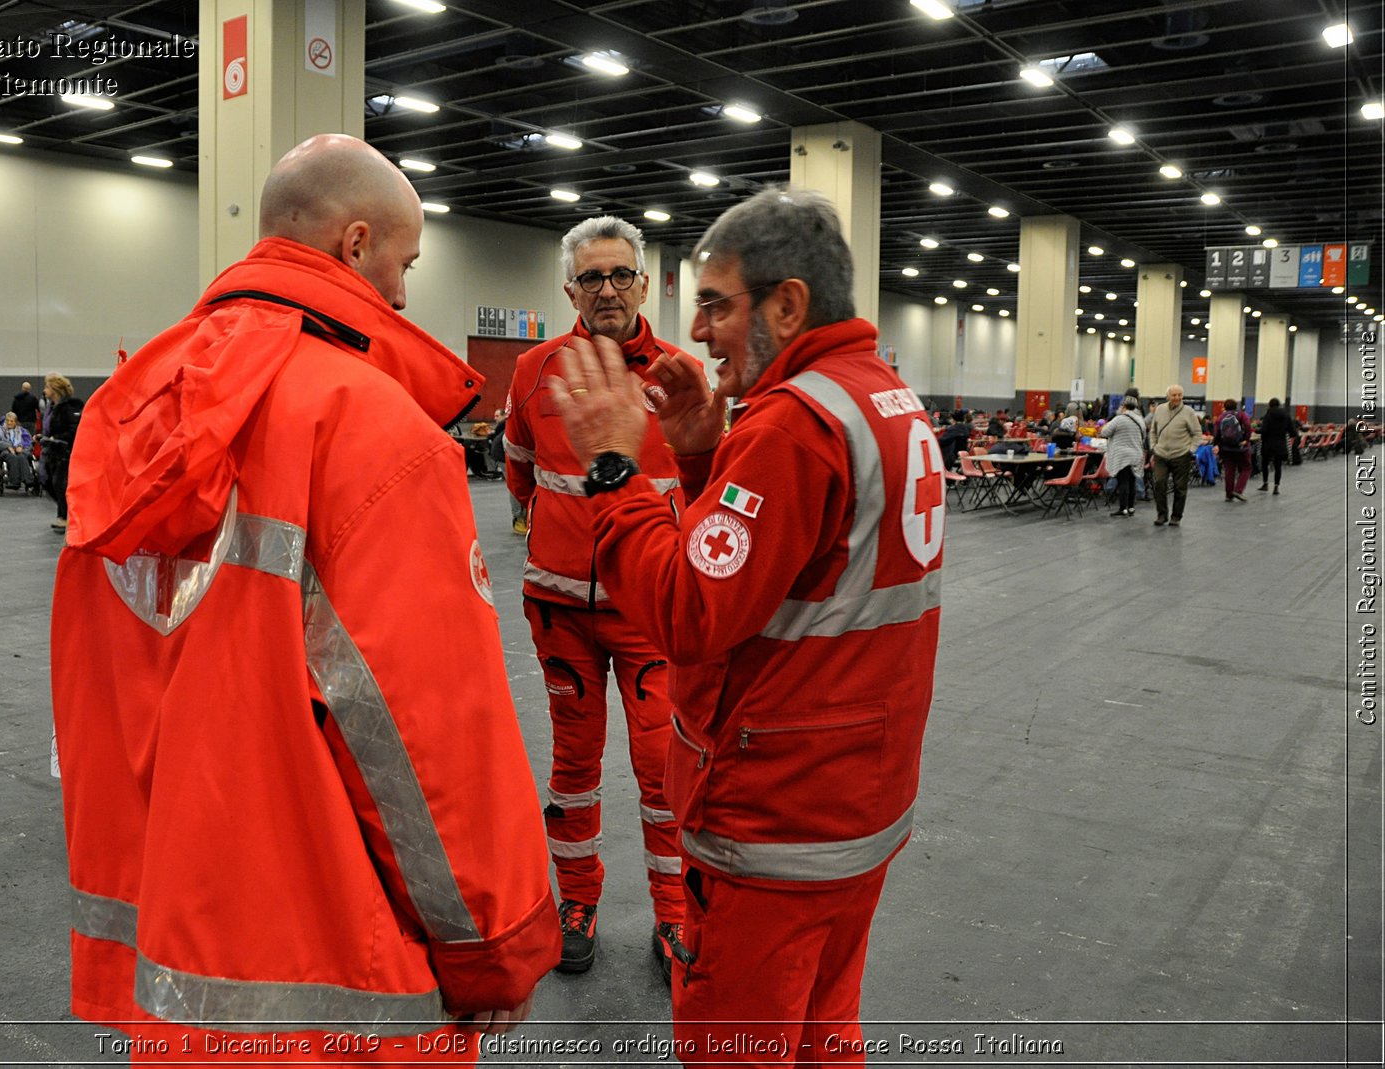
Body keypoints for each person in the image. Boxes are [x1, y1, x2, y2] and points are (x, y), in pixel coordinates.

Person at [50, 133, 559, 1061]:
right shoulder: (369, 429)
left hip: (168, 950)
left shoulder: (125, 410)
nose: (404, 295)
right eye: (403, 263)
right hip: (328, 972)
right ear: (355, 244)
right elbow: (427, 731)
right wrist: (495, 943)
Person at [550, 187, 942, 1066]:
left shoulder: (795, 424)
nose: (700, 330)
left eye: (717, 305)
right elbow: (780, 571)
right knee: (823, 1035)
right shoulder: (882, 398)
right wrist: (697, 456)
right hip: (859, 803)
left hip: (777, 815)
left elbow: (692, 614)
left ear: (787, 304)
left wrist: (618, 470)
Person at [502, 215, 689, 981]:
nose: (606, 289)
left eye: (620, 275)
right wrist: (552, 534)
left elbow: (706, 486)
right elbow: (518, 468)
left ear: (644, 283)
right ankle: (575, 902)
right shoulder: (534, 370)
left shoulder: (680, 374)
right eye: (591, 278)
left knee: (662, 767)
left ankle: (675, 911)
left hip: (650, 609)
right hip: (560, 612)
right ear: (569, 287)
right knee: (571, 765)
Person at [1149, 385, 1202, 526]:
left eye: (1179, 395)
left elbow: (1197, 434)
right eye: (1174, 395)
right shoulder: (1159, 410)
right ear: (1168, 396)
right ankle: (1162, 515)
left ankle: (1176, 516)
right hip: (1161, 454)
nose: (1177, 398)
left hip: (1181, 455)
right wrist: (1153, 446)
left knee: (1180, 487)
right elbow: (1153, 431)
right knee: (1159, 483)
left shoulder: (1188, 412)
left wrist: (1191, 449)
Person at [39, 375, 84, 532]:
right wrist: (44, 437)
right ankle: (66, 514)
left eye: (47, 387)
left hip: (66, 452)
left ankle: (64, 517)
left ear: (55, 390)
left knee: (60, 484)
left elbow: (74, 431)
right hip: (52, 451)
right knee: (48, 482)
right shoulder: (52, 407)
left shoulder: (69, 407)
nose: (44, 390)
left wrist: (55, 438)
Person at [1099, 397, 1146, 517]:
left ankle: (1122, 508)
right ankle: (1131, 507)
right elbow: (1144, 437)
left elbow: (1104, 432)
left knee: (1123, 481)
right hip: (1136, 453)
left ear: (1123, 406)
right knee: (1132, 480)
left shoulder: (1119, 419)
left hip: (1122, 455)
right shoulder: (1140, 420)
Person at [1215, 398, 1253, 503]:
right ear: (1236, 406)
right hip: (1241, 447)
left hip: (1226, 448)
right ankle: (1238, 490)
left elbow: (1217, 433)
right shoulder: (1241, 415)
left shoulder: (1220, 417)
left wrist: (1218, 444)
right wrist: (1246, 439)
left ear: (1225, 407)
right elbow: (1248, 427)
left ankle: (1228, 495)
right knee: (1246, 467)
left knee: (1229, 470)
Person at [0, 411, 33, 490]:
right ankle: (14, 481)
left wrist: (21, 446)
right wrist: (8, 446)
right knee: (13, 457)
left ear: (15, 422)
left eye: (11, 421)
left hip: (19, 451)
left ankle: (27, 480)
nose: (9, 423)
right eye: (7, 420)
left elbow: (28, 442)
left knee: (22, 457)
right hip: (5, 451)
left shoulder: (22, 431)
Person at [1257, 398, 1292, 494]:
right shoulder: (1286, 415)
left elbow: (1264, 430)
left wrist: (1256, 430)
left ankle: (1265, 484)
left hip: (1267, 444)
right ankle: (1276, 487)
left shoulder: (1268, 415)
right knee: (1278, 466)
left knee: (1265, 464)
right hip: (1280, 444)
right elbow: (1292, 430)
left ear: (1270, 405)